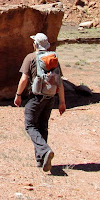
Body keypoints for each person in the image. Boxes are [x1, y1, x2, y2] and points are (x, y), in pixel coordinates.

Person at [13, 32, 66, 172]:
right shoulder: (53, 58)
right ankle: (41, 159)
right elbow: (59, 81)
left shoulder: (30, 57)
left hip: (35, 98)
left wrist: (18, 95)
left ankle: (45, 150)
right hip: (50, 98)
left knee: (30, 125)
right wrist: (62, 102)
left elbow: (24, 79)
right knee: (43, 126)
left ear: (35, 44)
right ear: (46, 45)